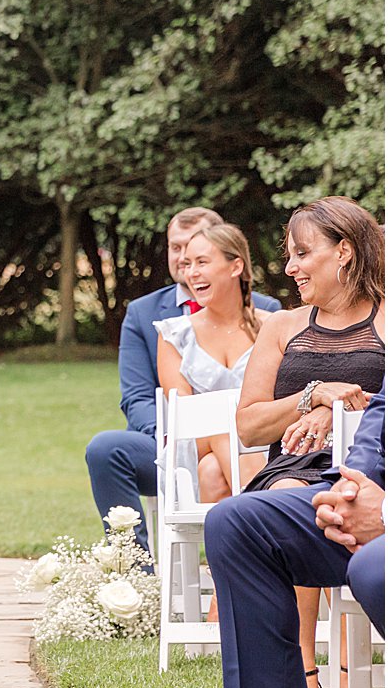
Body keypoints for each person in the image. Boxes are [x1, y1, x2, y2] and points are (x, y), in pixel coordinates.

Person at [233, 195, 384, 688]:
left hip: (369, 471)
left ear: (344, 252)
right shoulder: (282, 326)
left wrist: (341, 414)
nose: (291, 267)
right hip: (293, 469)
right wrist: (315, 395)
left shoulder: (387, 319)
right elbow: (249, 423)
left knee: (344, 502)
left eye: (303, 253)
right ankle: (303, 680)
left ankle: (348, 676)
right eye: (288, 255)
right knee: (290, 501)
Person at [195, 392, 384, 688]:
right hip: (369, 493)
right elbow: (380, 413)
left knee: (373, 568)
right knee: (235, 522)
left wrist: (384, 514)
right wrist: (354, 488)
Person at [86, 207, 280, 552]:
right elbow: (138, 397)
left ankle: (233, 586)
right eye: (177, 251)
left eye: (198, 256)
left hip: (260, 440)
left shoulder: (272, 316)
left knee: (211, 471)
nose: (185, 265)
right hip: (178, 436)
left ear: (232, 260)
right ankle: (135, 577)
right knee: (107, 448)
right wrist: (168, 438)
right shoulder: (148, 316)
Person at [154, 223, 274, 501]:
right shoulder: (173, 335)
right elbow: (185, 414)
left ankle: (242, 531)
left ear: (235, 267)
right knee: (222, 428)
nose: (191, 273)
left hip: (263, 442)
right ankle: (266, 510)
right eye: (187, 264)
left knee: (212, 473)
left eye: (202, 262)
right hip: (194, 446)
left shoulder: (273, 327)